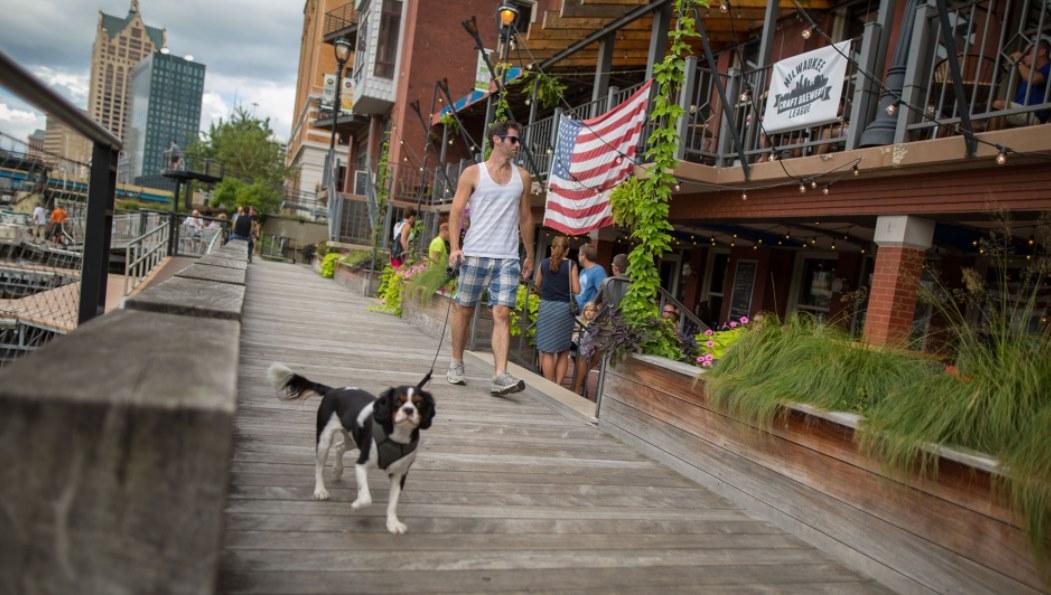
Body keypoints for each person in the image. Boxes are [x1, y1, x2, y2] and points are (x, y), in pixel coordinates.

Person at [446, 120, 535, 396]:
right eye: (512, 140)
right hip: (474, 253)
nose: (517, 145)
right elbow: (456, 212)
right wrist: (454, 247)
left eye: (518, 140)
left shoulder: (523, 177)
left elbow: (525, 217)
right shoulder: (473, 173)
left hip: (507, 256)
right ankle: (457, 361)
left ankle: (499, 375)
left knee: (502, 313)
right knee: (464, 308)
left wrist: (529, 253)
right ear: (496, 140)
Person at [574, 253, 630, 396]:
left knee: (583, 351)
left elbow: (594, 302)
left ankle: (577, 387)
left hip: (603, 326)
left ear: (616, 268)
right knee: (600, 352)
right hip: (622, 330)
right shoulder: (634, 286)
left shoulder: (607, 282)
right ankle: (588, 379)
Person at [533, 236, 580, 386]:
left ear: (552, 248)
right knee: (563, 350)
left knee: (547, 350)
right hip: (564, 310)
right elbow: (577, 289)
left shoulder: (544, 263)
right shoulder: (571, 264)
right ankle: (558, 384)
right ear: (567, 250)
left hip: (546, 307)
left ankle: (548, 384)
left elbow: (537, 285)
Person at [991, 36, 1051, 128]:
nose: (1025, 57)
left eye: (1028, 53)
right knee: (985, 115)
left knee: (998, 105)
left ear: (1042, 52)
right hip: (1022, 113)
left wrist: (1018, 62)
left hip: (1035, 115)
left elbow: (1034, 79)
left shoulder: (1048, 67)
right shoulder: (1028, 72)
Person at [575, 244, 606, 312]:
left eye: (579, 254)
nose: (578, 256)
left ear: (584, 256)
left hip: (587, 314)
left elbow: (603, 293)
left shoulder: (598, 270)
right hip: (577, 310)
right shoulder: (583, 270)